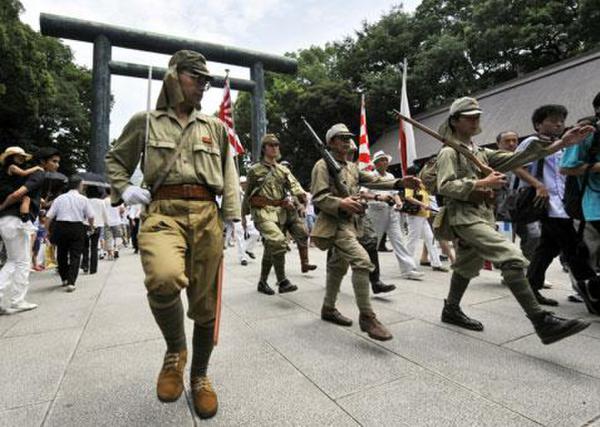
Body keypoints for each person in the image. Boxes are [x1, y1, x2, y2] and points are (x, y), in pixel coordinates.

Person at [105, 50, 240, 419]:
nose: (203, 86)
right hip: (163, 213)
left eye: (206, 80)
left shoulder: (214, 127)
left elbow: (228, 171)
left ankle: (199, 376)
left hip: (207, 215)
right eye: (196, 77)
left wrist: (232, 215)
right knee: (163, 278)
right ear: (173, 76)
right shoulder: (145, 123)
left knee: (205, 304)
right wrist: (124, 187)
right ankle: (176, 351)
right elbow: (115, 160)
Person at [434, 96, 592, 345]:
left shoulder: (478, 151)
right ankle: (542, 321)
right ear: (454, 121)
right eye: (469, 116)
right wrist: (481, 183)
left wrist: (562, 142)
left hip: (482, 215)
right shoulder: (448, 152)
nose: (475, 120)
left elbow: (516, 159)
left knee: (465, 266)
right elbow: (444, 186)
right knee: (511, 257)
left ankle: (451, 309)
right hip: (464, 217)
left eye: (477, 115)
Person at [310, 123, 421, 341]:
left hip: (353, 223)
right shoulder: (321, 166)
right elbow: (319, 198)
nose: (346, 141)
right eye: (341, 138)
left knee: (337, 266)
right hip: (335, 223)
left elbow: (375, 180)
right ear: (331, 142)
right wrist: (341, 202)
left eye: (348, 137)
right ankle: (367, 317)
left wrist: (398, 182)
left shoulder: (351, 167)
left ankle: (328, 308)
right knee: (362, 261)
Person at [516, 105, 599, 307]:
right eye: (553, 120)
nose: (559, 124)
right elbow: (515, 164)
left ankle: (531, 288)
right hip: (545, 202)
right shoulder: (532, 142)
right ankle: (591, 291)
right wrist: (537, 184)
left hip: (561, 204)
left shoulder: (562, 144)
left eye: (561, 120)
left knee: (548, 247)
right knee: (573, 247)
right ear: (538, 124)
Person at [243, 134, 308, 295]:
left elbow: (293, 183)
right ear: (264, 148)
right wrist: (242, 215)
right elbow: (248, 194)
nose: (275, 147)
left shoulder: (282, 170)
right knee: (278, 241)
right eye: (271, 145)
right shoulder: (254, 170)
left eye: (277, 145)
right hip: (261, 212)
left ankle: (262, 282)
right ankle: (282, 281)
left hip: (279, 213)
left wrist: (300, 194)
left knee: (271, 247)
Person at [0, 147, 61, 315]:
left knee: (13, 261)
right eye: (53, 161)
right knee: (21, 262)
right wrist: (3, 206)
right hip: (17, 221)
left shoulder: (21, 175)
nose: (56, 165)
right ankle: (18, 300)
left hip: (7, 221)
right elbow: (17, 194)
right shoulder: (39, 174)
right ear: (43, 162)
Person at [560, 92, 600, 313]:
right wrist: (596, 167)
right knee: (587, 255)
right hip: (592, 205)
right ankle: (588, 290)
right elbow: (565, 167)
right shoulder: (587, 134)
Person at [366, 151, 424, 280]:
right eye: (381, 160)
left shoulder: (391, 175)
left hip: (391, 212)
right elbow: (363, 194)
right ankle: (366, 268)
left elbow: (395, 192)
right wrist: (379, 197)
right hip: (376, 212)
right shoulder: (370, 176)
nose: (385, 162)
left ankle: (408, 269)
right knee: (372, 243)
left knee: (399, 240)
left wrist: (399, 203)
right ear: (375, 163)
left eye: (386, 160)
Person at [46, 175, 94, 292]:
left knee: (61, 253)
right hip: (77, 227)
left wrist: (47, 231)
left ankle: (64, 278)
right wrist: (91, 227)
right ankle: (71, 282)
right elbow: (91, 216)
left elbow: (49, 216)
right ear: (79, 185)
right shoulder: (83, 199)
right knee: (75, 255)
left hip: (60, 227)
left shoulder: (59, 198)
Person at [404, 166, 447, 272]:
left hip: (423, 215)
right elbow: (408, 197)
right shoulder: (409, 184)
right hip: (415, 216)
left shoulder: (420, 184)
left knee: (430, 238)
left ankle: (436, 264)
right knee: (412, 240)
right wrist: (423, 204)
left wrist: (427, 207)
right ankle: (407, 264)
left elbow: (426, 197)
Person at [280, 160, 318, 273]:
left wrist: (301, 206)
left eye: (288, 168)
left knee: (303, 234)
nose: (286, 170)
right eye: (284, 168)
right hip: (278, 216)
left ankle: (305, 264)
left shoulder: (292, 184)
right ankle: (279, 271)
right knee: (277, 244)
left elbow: (297, 197)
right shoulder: (273, 182)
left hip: (292, 216)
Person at [0, 146, 43, 226]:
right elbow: (24, 173)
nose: (22, 158)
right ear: (11, 157)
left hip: (13, 188)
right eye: (19, 156)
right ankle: (3, 207)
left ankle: (24, 218)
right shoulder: (12, 166)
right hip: (7, 189)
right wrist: (37, 168)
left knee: (28, 199)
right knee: (25, 198)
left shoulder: (17, 166)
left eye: (23, 157)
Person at [82, 186, 108, 275]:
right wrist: (105, 222)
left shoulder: (85, 200)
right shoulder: (101, 202)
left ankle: (85, 265)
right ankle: (93, 268)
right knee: (94, 247)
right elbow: (104, 214)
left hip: (86, 225)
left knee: (85, 246)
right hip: (98, 225)